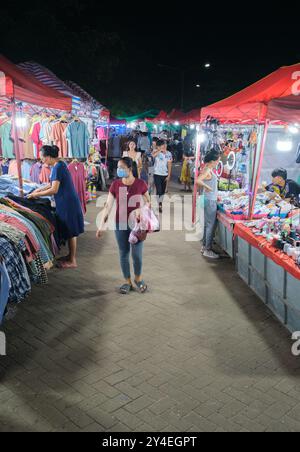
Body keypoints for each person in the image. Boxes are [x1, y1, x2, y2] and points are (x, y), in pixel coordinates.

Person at [96, 157, 150, 295]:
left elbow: (149, 202)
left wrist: (141, 209)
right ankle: (127, 281)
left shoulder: (140, 184)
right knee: (123, 253)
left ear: (130, 169)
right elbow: (108, 205)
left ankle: (138, 278)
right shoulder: (115, 185)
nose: (119, 170)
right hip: (120, 224)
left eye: (122, 167)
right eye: (118, 167)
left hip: (137, 225)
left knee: (137, 255)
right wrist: (102, 225)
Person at [28, 145, 84, 269]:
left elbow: (54, 189)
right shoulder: (60, 164)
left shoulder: (57, 167)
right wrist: (39, 189)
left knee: (71, 232)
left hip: (67, 203)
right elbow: (51, 184)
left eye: (42, 157)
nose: (41, 160)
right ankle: (70, 256)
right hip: (68, 201)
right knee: (71, 231)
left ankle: (72, 260)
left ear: (48, 157)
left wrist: (36, 195)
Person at [197, 148, 221, 259]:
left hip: (208, 199)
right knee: (210, 225)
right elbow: (198, 180)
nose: (218, 163)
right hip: (210, 200)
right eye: (217, 161)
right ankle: (207, 249)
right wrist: (208, 187)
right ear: (212, 161)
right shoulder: (207, 170)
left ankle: (204, 246)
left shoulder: (207, 168)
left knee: (207, 224)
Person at [152, 139, 173, 213]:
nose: (164, 146)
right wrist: (159, 150)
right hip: (157, 174)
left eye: (165, 144)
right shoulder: (156, 152)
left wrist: (169, 175)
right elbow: (153, 156)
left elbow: (169, 165)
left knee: (163, 191)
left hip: (165, 174)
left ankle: (160, 202)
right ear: (158, 146)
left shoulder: (169, 154)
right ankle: (159, 204)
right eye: (162, 145)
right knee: (159, 190)